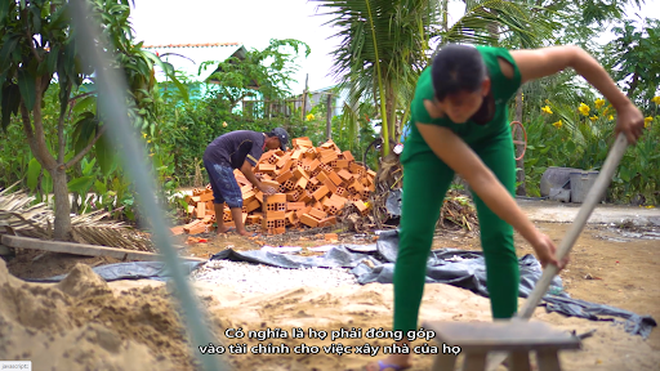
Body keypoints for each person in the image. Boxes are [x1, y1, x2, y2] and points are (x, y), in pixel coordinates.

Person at [366, 44, 645, 371]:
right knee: (413, 239)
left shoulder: (505, 69)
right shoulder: (431, 108)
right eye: (447, 104)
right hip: (431, 146)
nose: (454, 112)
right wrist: (536, 235)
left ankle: (509, 347)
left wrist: (623, 105)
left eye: (461, 104)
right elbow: (479, 179)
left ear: (484, 87)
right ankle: (400, 352)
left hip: (490, 138)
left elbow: (573, 55)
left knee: (499, 237)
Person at [203, 127, 290, 236]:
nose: (276, 148)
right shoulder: (259, 143)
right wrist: (259, 185)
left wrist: (253, 176)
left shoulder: (255, 138)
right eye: (279, 145)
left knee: (219, 195)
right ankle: (242, 231)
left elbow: (241, 164)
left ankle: (221, 227)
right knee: (235, 194)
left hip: (211, 155)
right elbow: (245, 169)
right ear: (274, 138)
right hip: (219, 158)